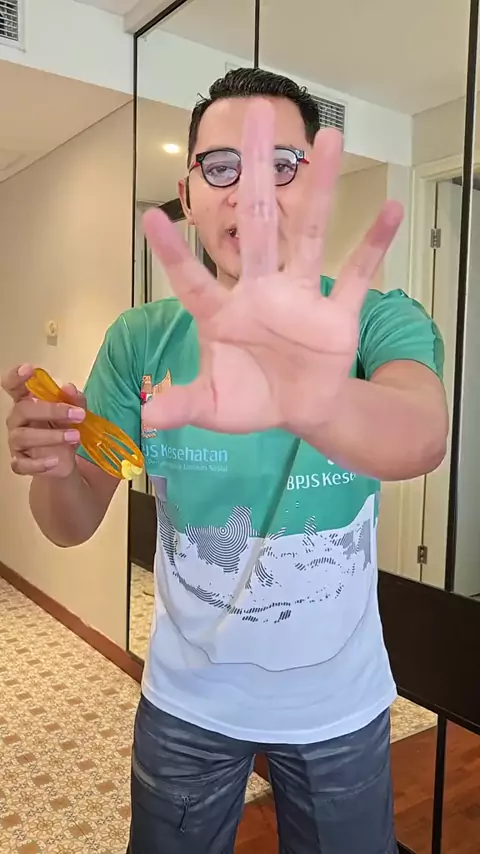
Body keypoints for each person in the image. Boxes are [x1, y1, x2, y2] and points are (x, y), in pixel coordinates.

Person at [2, 68, 448, 854]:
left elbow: (421, 432)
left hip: (339, 708)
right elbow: (72, 521)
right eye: (222, 166)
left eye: (283, 164)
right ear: (188, 192)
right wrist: (57, 470)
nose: (253, 191)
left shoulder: (377, 320)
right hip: (187, 704)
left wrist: (313, 397)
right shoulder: (140, 340)